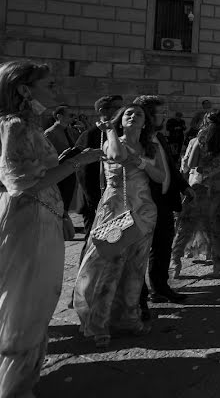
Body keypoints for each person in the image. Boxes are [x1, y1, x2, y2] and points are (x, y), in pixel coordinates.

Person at [0, 61, 103, 396]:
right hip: (27, 220)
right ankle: (15, 387)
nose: (56, 91)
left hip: (40, 215)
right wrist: (78, 162)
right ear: (24, 90)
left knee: (37, 300)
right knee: (26, 302)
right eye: (50, 84)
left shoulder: (26, 124)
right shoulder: (15, 126)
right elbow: (24, 184)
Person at [74, 104, 165, 349]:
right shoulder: (111, 140)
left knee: (135, 270)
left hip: (144, 211)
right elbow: (115, 156)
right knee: (109, 269)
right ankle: (99, 324)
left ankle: (129, 318)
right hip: (116, 209)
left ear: (145, 123)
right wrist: (111, 130)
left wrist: (142, 162)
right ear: (120, 120)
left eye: (138, 114)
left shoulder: (151, 146)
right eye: (127, 113)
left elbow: (160, 177)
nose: (133, 116)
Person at [133, 96, 192, 307]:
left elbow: (171, 168)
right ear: (148, 115)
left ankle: (160, 287)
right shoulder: (137, 140)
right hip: (144, 203)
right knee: (140, 249)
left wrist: (184, 186)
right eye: (161, 112)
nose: (165, 116)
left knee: (163, 246)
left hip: (165, 201)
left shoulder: (161, 137)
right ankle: (138, 293)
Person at [171, 111, 220, 276]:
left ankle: (175, 261)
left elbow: (192, 163)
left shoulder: (200, 140)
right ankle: (218, 263)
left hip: (199, 188)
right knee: (218, 227)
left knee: (187, 226)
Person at [74, 95, 123, 241]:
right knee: (92, 241)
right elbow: (83, 172)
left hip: (115, 197)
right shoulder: (89, 135)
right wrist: (94, 200)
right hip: (95, 200)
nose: (121, 111)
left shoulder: (119, 132)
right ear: (103, 111)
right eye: (117, 107)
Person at [44, 104, 80, 211]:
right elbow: (46, 156)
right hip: (58, 172)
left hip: (70, 170)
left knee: (67, 202)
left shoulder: (70, 131)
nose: (73, 117)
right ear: (60, 116)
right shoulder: (50, 133)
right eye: (70, 115)